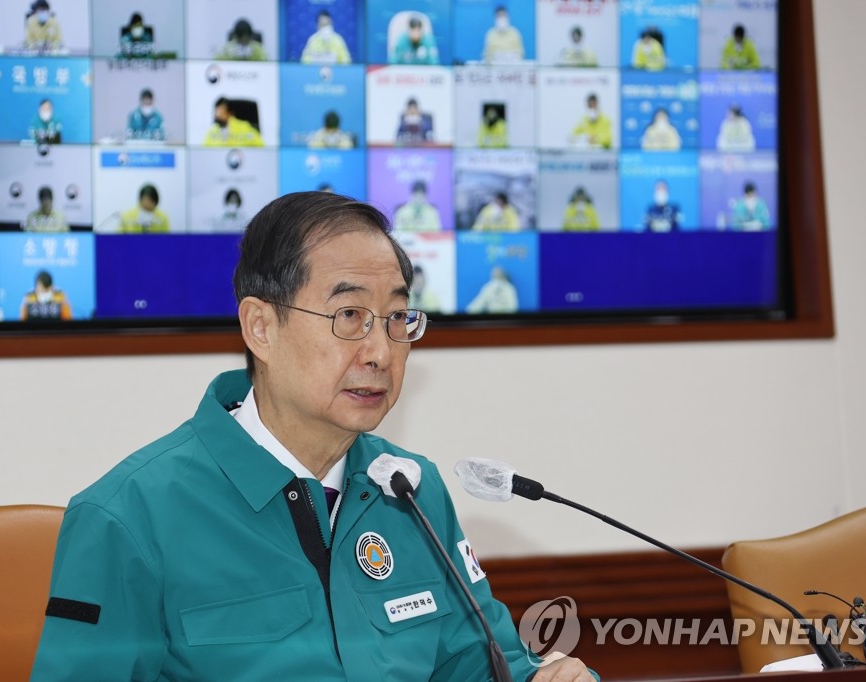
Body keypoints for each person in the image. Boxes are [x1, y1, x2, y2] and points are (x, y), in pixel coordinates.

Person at [30, 190, 594, 680]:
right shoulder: (129, 519)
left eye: (397, 318)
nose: (379, 352)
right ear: (260, 327)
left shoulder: (410, 491)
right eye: (349, 316)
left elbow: (482, 664)